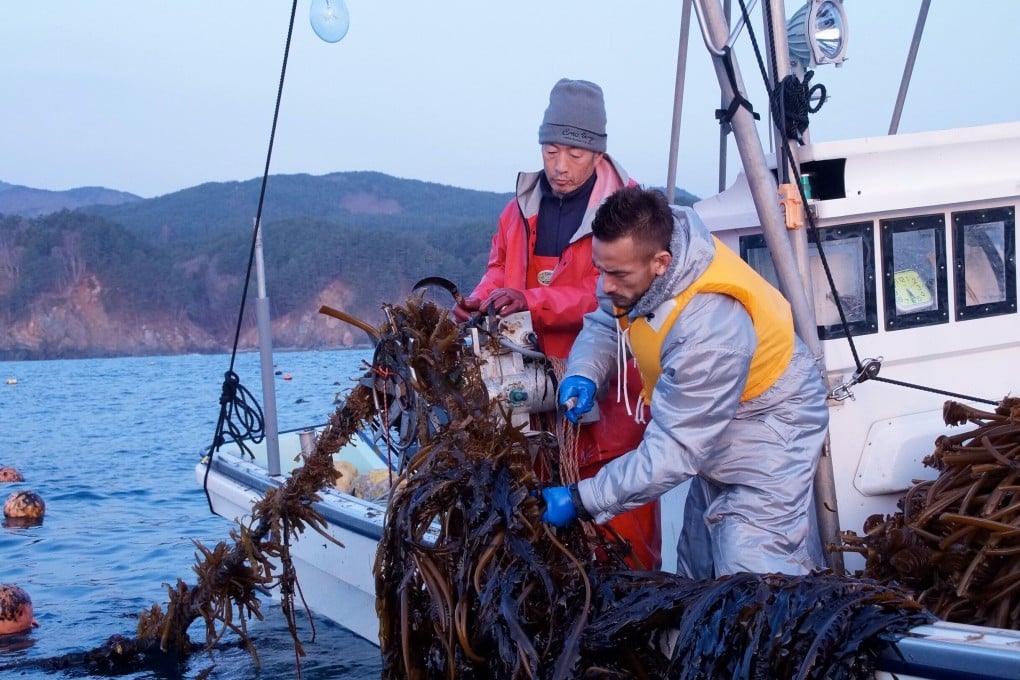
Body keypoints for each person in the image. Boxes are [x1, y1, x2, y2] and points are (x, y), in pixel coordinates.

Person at [541, 185, 829, 578]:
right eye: (601, 269)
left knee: (749, 565)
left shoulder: (709, 328)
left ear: (661, 262)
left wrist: (582, 498)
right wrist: (583, 372)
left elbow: (674, 451)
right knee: (698, 562)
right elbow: (607, 319)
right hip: (710, 418)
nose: (605, 285)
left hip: (773, 424)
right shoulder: (635, 265)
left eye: (617, 274)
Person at [452, 78, 661, 569]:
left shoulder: (629, 213)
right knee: (544, 538)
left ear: (598, 153)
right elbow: (500, 268)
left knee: (622, 535)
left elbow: (609, 291)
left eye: (574, 153)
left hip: (610, 402)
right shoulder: (517, 209)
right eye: (550, 151)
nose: (560, 167)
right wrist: (479, 300)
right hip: (532, 399)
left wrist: (532, 299)